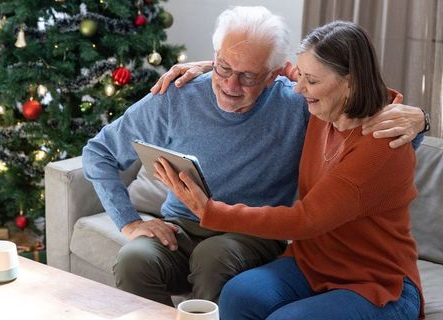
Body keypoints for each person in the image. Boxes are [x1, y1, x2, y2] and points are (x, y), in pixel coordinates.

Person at [82, 6, 424, 307]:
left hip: (253, 235)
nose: (232, 85)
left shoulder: (300, 103)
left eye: (248, 76)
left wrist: (419, 122)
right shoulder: (177, 96)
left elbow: (365, 127)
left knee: (214, 256)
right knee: (134, 259)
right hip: (182, 227)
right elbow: (98, 151)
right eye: (223, 68)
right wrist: (130, 222)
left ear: (274, 72)